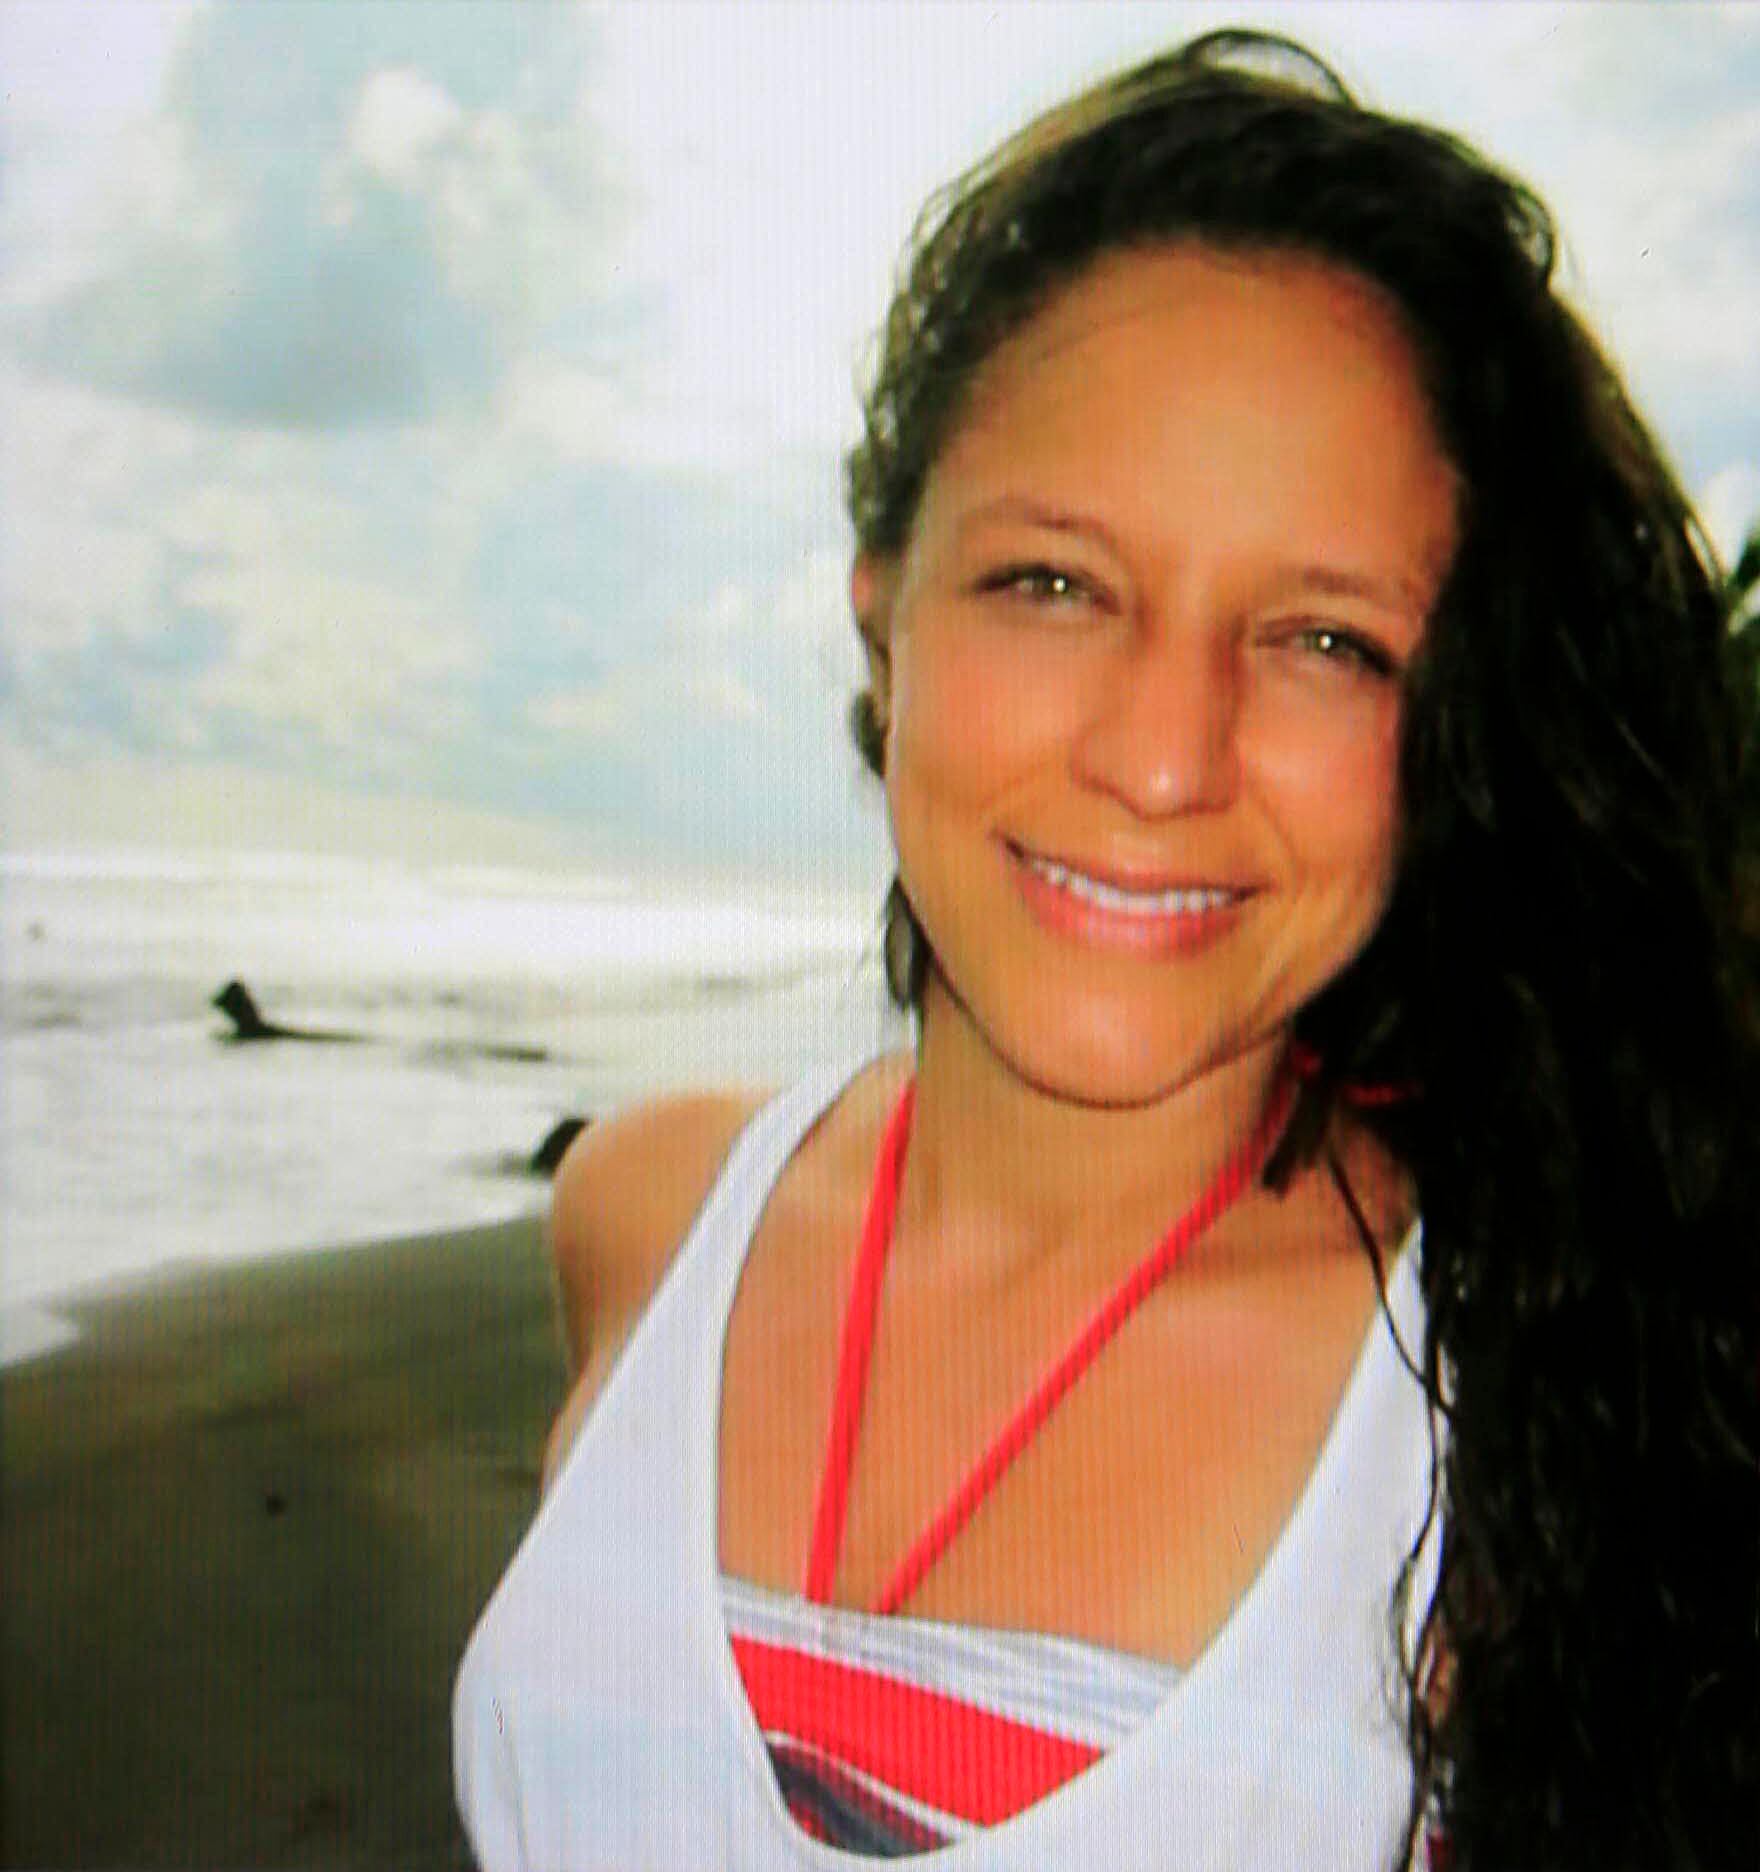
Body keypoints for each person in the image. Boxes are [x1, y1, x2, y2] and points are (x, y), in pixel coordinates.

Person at [454, 29, 1758, 1871]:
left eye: (1325, 641)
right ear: (885, 616)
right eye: (1054, 585)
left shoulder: (1543, 1396)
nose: (1161, 758)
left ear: (1450, 724)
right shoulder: (647, 1220)